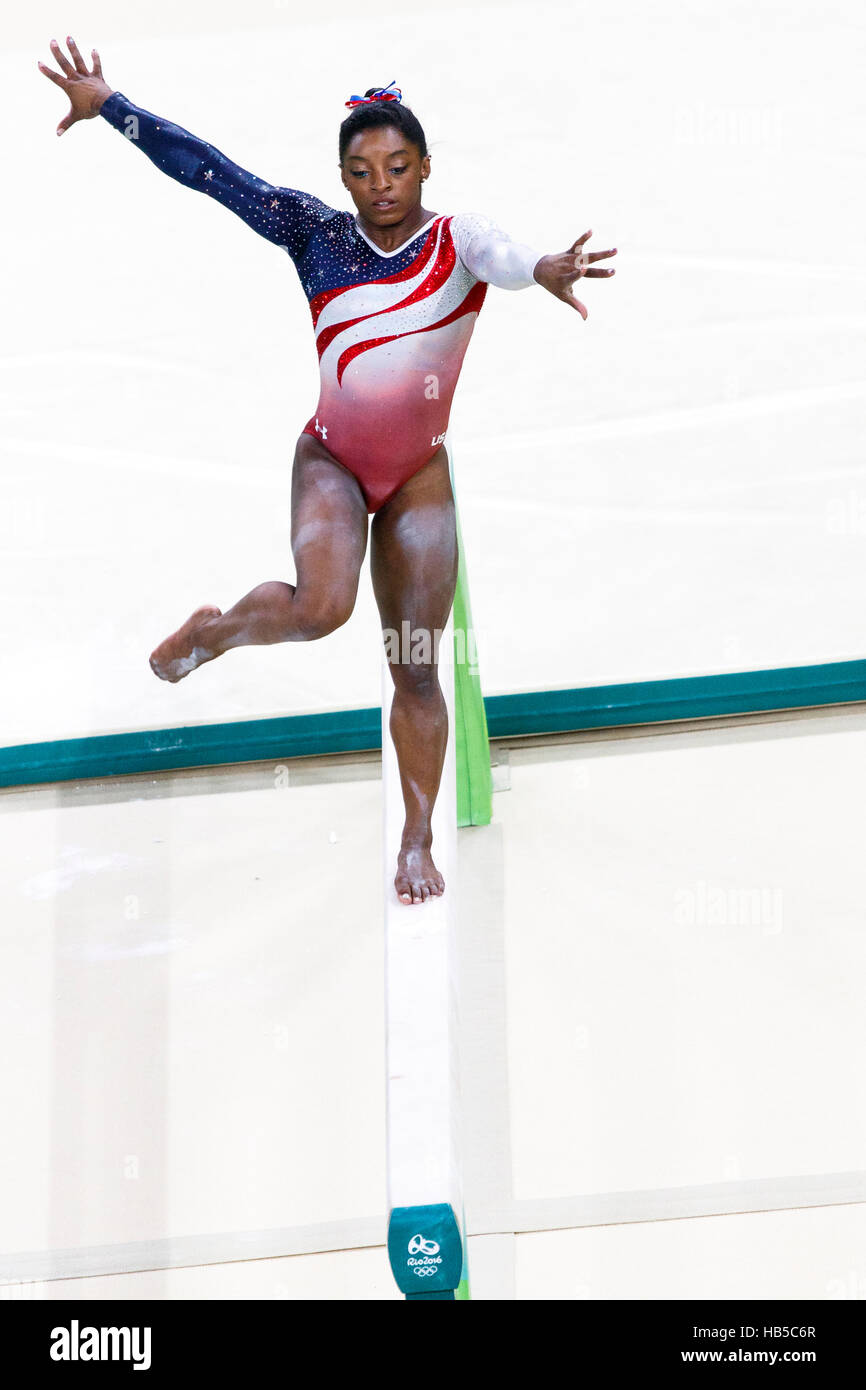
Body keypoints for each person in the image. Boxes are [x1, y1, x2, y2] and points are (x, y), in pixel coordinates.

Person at [39, 38, 617, 905]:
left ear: (425, 165)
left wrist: (547, 267)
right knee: (320, 610)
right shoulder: (315, 234)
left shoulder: (457, 242)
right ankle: (215, 631)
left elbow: (509, 256)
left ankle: (416, 836)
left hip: (419, 475)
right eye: (361, 170)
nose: (381, 183)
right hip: (334, 462)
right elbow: (215, 175)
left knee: (415, 662)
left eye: (397, 165)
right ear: (343, 178)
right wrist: (114, 107)